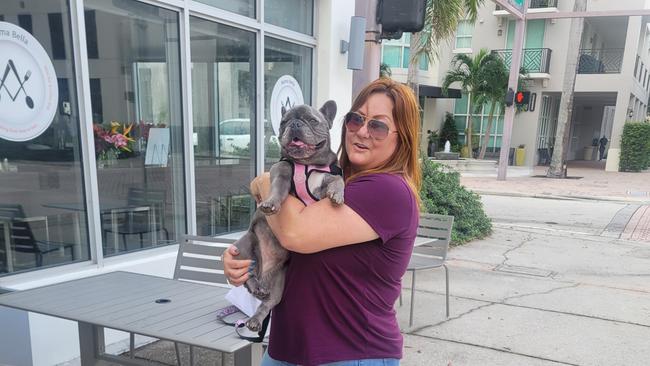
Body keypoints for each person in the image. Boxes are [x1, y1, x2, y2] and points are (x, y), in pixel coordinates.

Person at [224, 78, 422, 366]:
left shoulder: (387, 191)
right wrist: (240, 260)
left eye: (377, 126)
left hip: (349, 353)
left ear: (401, 137)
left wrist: (266, 180)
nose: (362, 131)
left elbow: (294, 233)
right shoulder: (336, 182)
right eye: (356, 119)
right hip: (287, 347)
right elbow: (282, 242)